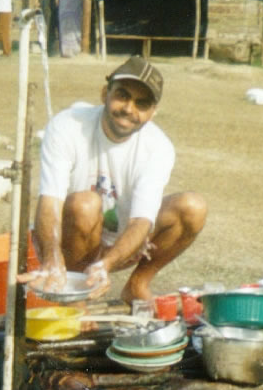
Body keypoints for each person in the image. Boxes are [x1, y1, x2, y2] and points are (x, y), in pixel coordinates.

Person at [19, 56, 207, 304]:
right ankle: (73, 296)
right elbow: (50, 201)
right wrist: (52, 258)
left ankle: (137, 286)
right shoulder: (67, 125)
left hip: (122, 245)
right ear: (104, 94)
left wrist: (106, 264)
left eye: (141, 103)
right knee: (86, 204)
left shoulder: (158, 147)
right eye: (122, 96)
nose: (129, 109)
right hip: (70, 238)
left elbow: (141, 221)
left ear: (152, 113)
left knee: (193, 207)